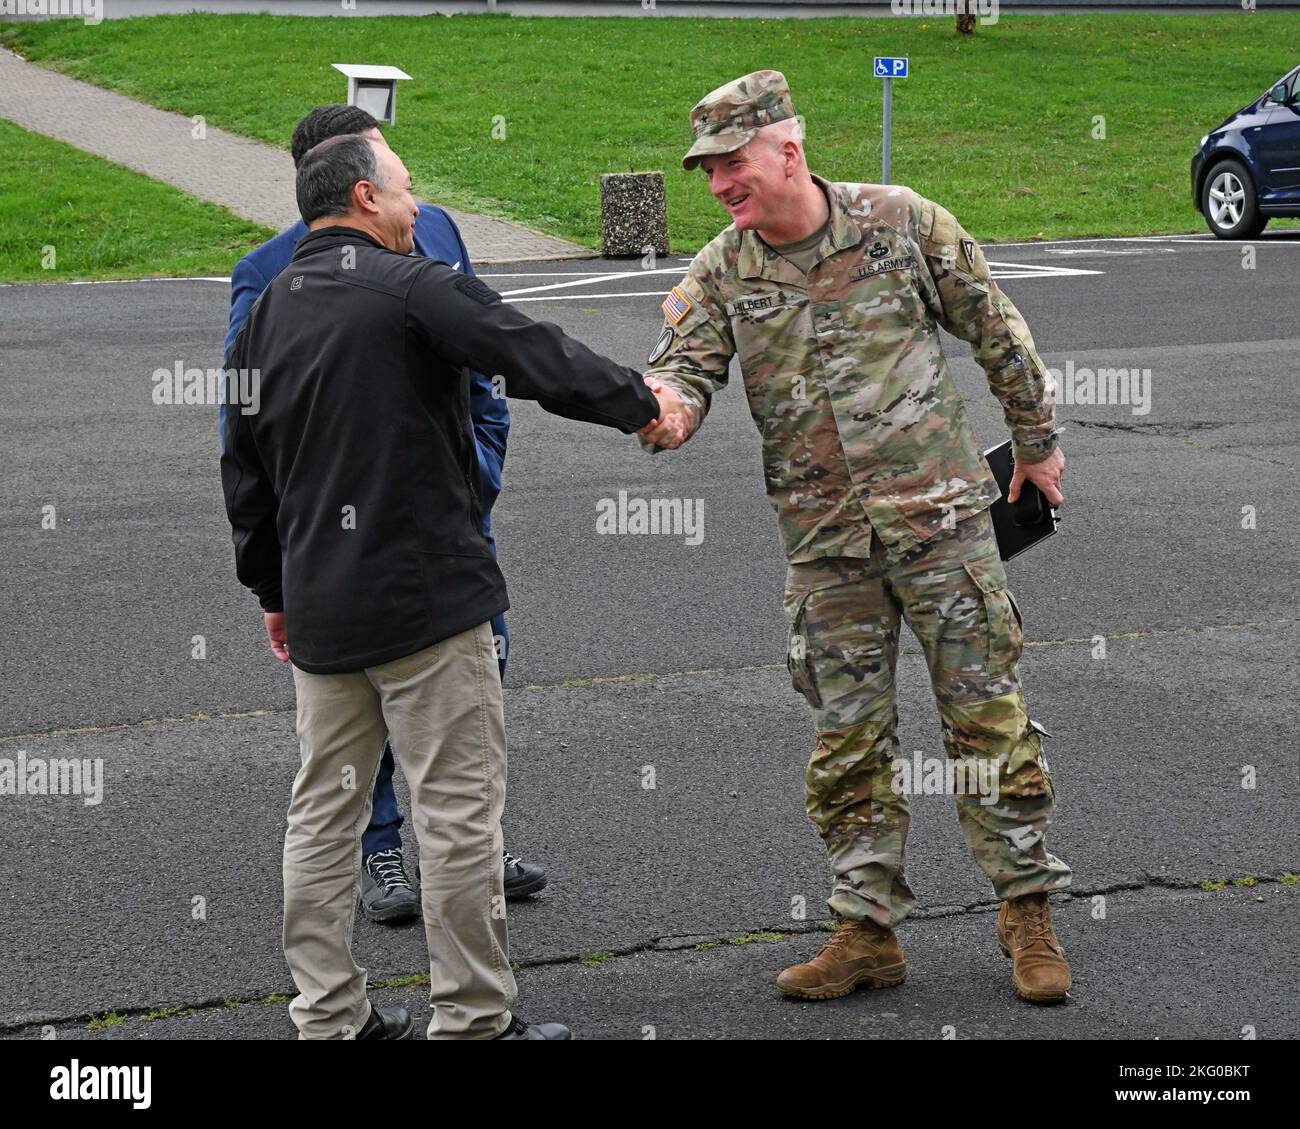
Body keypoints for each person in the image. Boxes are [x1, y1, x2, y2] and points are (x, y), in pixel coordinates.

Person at [221, 133, 689, 1039]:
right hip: (428, 604)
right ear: (363, 197)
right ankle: (473, 1017)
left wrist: (272, 587)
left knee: (323, 812)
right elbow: (528, 351)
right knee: (457, 814)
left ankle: (328, 1017)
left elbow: (243, 469)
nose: (414, 206)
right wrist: (643, 400)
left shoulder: (266, 313)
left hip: (321, 610)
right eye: (404, 189)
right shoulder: (412, 286)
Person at [641, 71, 1074, 1005]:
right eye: (705, 170)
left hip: (944, 526)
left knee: (987, 718)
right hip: (827, 546)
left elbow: (996, 330)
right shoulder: (724, 269)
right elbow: (681, 370)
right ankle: (866, 930)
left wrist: (1036, 446)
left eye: (730, 163)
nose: (717, 184)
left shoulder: (903, 223)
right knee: (848, 740)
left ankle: (1028, 910)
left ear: (785, 151)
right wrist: (665, 412)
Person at [224, 104, 546, 923]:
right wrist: (274, 580)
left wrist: (475, 476)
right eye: (387, 168)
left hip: (450, 524)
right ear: (350, 185)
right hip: (346, 548)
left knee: (476, 690)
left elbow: (487, 371)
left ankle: (473, 844)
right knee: (356, 726)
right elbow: (246, 427)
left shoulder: (434, 228)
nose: (405, 187)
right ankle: (383, 852)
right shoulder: (265, 273)